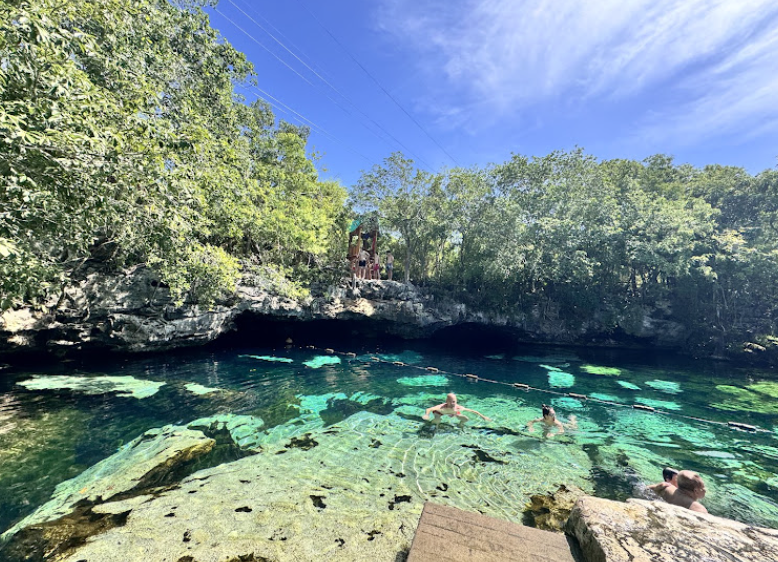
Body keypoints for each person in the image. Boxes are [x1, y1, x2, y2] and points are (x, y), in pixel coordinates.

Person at [422, 393, 491, 427]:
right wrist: (426, 415)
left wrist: (483, 417)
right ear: (446, 401)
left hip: (452, 412)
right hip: (440, 413)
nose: (453, 403)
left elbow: (473, 411)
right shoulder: (441, 407)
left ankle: (460, 425)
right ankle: (433, 426)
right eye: (451, 401)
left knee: (465, 419)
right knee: (437, 420)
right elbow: (429, 409)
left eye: (454, 401)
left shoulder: (458, 408)